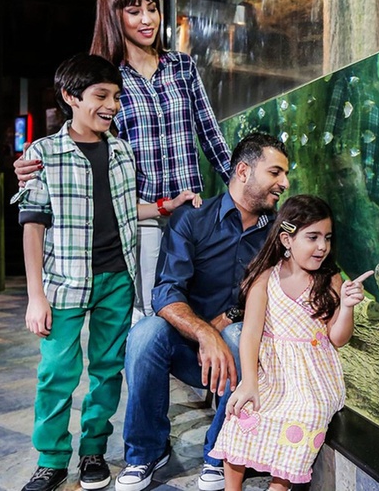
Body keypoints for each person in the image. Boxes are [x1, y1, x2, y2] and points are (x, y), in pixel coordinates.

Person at [13, 53, 197, 491]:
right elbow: (33, 226)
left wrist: (166, 206)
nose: (112, 104)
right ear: (71, 97)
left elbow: (124, 208)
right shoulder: (43, 154)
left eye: (116, 96)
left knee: (107, 370)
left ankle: (94, 450)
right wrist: (35, 296)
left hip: (117, 278)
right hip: (66, 282)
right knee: (57, 371)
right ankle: (52, 458)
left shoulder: (120, 151)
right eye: (101, 95)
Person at [15, 0, 233, 325]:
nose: (147, 19)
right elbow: (80, 146)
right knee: (151, 316)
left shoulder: (182, 67)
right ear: (113, 16)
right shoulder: (106, 81)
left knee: (195, 309)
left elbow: (210, 135)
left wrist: (242, 189)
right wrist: (29, 167)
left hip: (191, 213)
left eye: (152, 9)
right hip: (139, 219)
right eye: (134, 11)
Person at [115, 132, 290, 491]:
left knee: (239, 334)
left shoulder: (277, 234)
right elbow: (165, 292)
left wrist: (229, 318)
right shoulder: (191, 220)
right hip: (186, 348)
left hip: (239, 353)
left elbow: (280, 298)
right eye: (275, 173)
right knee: (145, 333)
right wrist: (205, 332)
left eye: (284, 175)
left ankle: (219, 453)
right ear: (243, 171)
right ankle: (146, 452)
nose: (283, 183)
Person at [208, 195, 374, 491]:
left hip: (314, 380)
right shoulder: (265, 278)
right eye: (312, 237)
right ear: (286, 239)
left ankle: (279, 485)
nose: (322, 246)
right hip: (273, 374)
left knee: (304, 414)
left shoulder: (330, 280)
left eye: (327, 238)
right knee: (241, 414)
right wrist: (249, 382)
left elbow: (338, 338)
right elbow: (250, 333)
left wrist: (347, 307)